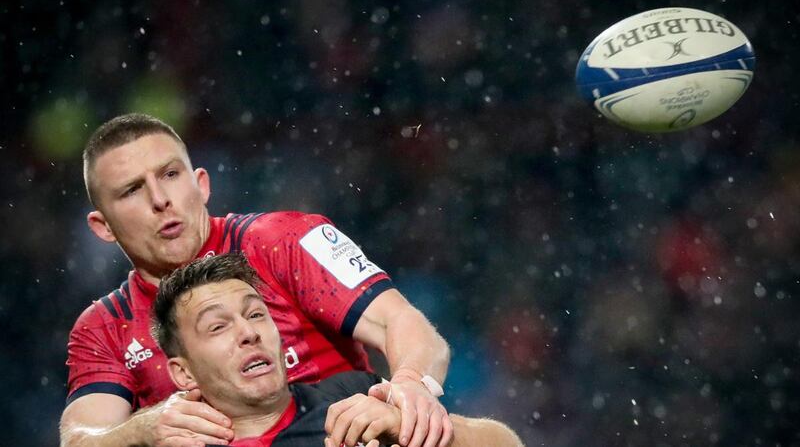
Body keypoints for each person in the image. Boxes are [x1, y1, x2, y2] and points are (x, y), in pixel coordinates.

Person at [60, 114, 453, 447]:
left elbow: (402, 323)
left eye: (170, 174)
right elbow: (82, 436)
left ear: (202, 184)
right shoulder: (104, 329)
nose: (160, 199)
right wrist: (143, 427)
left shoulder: (285, 240)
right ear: (102, 226)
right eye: (132, 190)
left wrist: (411, 387)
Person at [151, 253, 523, 447]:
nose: (248, 332)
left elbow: (504, 443)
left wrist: (409, 428)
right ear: (183, 372)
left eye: (256, 314)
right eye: (218, 326)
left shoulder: (353, 398)